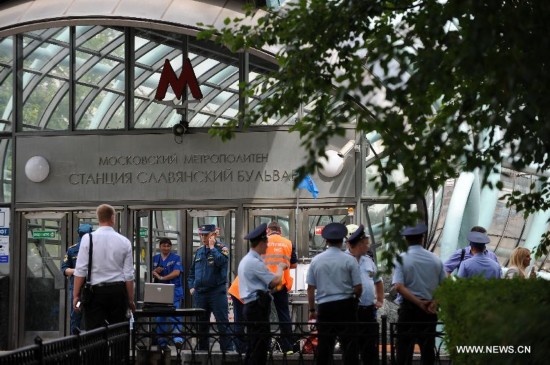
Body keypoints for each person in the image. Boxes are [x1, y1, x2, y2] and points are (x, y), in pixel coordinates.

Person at [307, 222, 362, 365]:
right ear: (343, 240)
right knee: (349, 346)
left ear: (326, 241)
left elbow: (310, 288)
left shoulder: (316, 261)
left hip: (325, 307)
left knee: (325, 346)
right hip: (346, 307)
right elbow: (358, 287)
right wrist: (355, 298)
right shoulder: (350, 260)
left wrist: (312, 310)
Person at [73, 204, 135, 330]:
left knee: (95, 335)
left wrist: (76, 296)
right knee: (118, 333)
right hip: (118, 292)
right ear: (113, 218)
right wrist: (130, 300)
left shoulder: (87, 239)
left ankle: (98, 350)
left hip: (94, 292)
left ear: (98, 218)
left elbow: (80, 271)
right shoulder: (124, 241)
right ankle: (118, 349)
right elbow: (128, 275)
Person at [392, 223, 446, 365]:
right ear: (422, 239)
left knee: (404, 349)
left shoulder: (401, 259)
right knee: (427, 349)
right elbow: (446, 286)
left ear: (406, 240)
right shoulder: (435, 259)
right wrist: (434, 302)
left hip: (408, 310)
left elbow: (398, 286)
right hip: (429, 310)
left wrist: (418, 302)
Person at [238, 223, 285, 365]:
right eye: (266, 243)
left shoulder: (249, 260)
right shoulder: (253, 262)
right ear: (261, 242)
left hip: (254, 306)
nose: (267, 246)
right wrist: (280, 267)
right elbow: (274, 281)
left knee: (254, 346)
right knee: (259, 347)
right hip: (256, 307)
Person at [187, 224, 233, 351]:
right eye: (201, 235)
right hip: (200, 293)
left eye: (206, 235)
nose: (203, 238)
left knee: (222, 324)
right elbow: (191, 273)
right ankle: (203, 353)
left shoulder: (222, 249)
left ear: (214, 235)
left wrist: (212, 248)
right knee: (201, 326)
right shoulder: (199, 251)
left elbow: (221, 262)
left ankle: (228, 353)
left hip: (216, 292)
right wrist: (192, 287)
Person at [346, 224, 383, 365]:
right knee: (351, 351)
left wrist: (380, 300)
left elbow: (378, 281)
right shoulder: (344, 260)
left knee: (370, 352)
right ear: (359, 244)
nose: (368, 246)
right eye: (365, 243)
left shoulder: (368, 261)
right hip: (352, 312)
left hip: (368, 311)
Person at [263, 221, 298, 354]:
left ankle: (265, 347)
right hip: (280, 284)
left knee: (264, 315)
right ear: (280, 230)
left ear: (268, 230)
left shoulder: (262, 242)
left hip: (264, 284)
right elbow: (294, 265)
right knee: (284, 315)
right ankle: (287, 347)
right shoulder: (288, 243)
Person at [151, 237, 184, 350]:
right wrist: (154, 272)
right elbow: (151, 273)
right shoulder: (155, 258)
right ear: (160, 247)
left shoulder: (176, 258)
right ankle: (162, 342)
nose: (166, 248)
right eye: (164, 245)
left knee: (176, 315)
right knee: (160, 316)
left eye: (168, 246)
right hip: (160, 292)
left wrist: (162, 277)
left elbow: (176, 272)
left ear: (171, 247)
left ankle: (177, 339)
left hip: (174, 291)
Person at [61, 223, 93, 334]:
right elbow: (64, 269)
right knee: (76, 315)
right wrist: (78, 271)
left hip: (92, 289)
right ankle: (75, 344)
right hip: (78, 291)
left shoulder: (95, 249)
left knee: (92, 316)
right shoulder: (72, 250)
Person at [228, 277, 247, 354]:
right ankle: (241, 349)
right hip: (239, 292)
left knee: (240, 321)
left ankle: (241, 348)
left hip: (237, 289)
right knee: (240, 321)